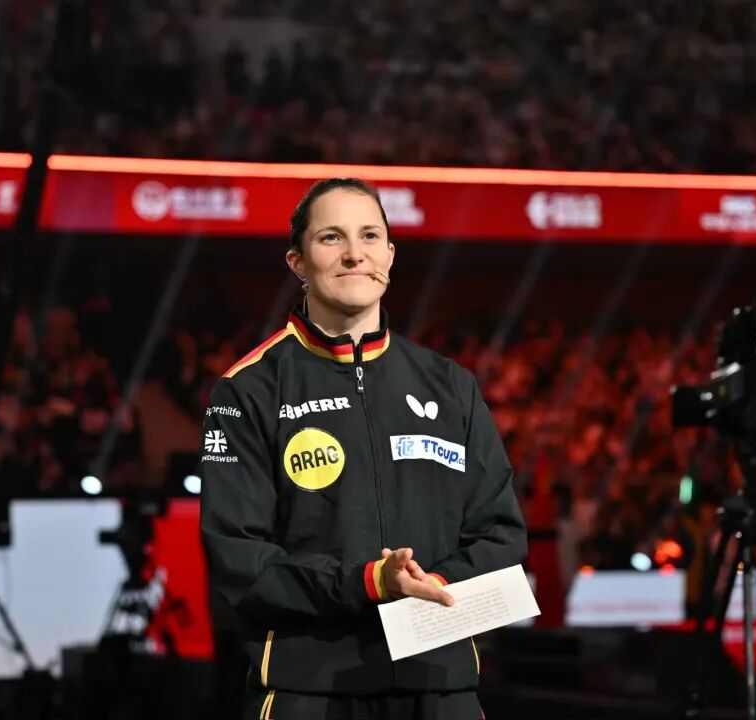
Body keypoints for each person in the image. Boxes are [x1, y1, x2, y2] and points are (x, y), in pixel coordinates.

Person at [200, 178, 527, 719]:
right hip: (309, 693)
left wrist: (433, 585)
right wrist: (369, 583)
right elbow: (240, 560)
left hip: (441, 689)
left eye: (370, 236)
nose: (355, 253)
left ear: (390, 255)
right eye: (331, 237)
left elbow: (502, 535)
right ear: (297, 262)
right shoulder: (248, 389)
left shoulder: (450, 385)